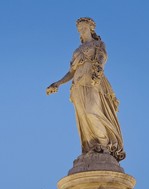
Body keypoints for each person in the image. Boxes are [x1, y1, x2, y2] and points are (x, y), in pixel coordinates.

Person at [46, 17, 125, 161]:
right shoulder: (77, 50)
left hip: (92, 81)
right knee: (83, 116)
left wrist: (98, 71)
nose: (81, 31)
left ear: (91, 29)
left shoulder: (98, 44)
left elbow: (102, 59)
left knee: (92, 111)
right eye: (79, 29)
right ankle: (92, 147)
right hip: (77, 84)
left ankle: (105, 145)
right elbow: (71, 72)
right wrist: (58, 83)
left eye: (84, 28)